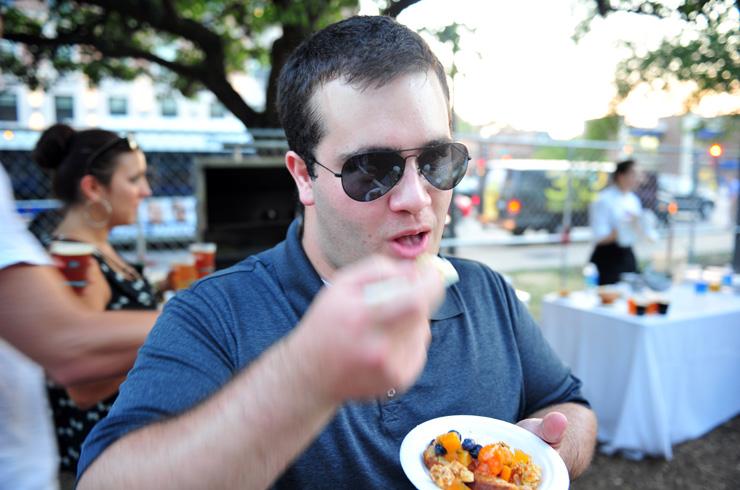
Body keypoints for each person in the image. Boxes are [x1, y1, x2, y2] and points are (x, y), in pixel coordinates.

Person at [77, 16, 597, 489]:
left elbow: (571, 403)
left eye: (437, 159)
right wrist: (307, 377)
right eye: (371, 169)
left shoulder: (487, 291)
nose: (417, 198)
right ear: (303, 176)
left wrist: (545, 453)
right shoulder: (216, 316)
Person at [0, 161, 157, 489]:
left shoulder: (99, 250)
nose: (146, 190)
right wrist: (195, 318)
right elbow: (77, 376)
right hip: (95, 454)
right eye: (134, 179)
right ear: (93, 188)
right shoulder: (77, 258)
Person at [589, 159, 656, 285]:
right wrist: (622, 228)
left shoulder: (633, 200)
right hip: (607, 257)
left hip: (627, 254)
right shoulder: (604, 200)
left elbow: (637, 230)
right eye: (634, 174)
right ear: (621, 176)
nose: (638, 179)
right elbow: (599, 236)